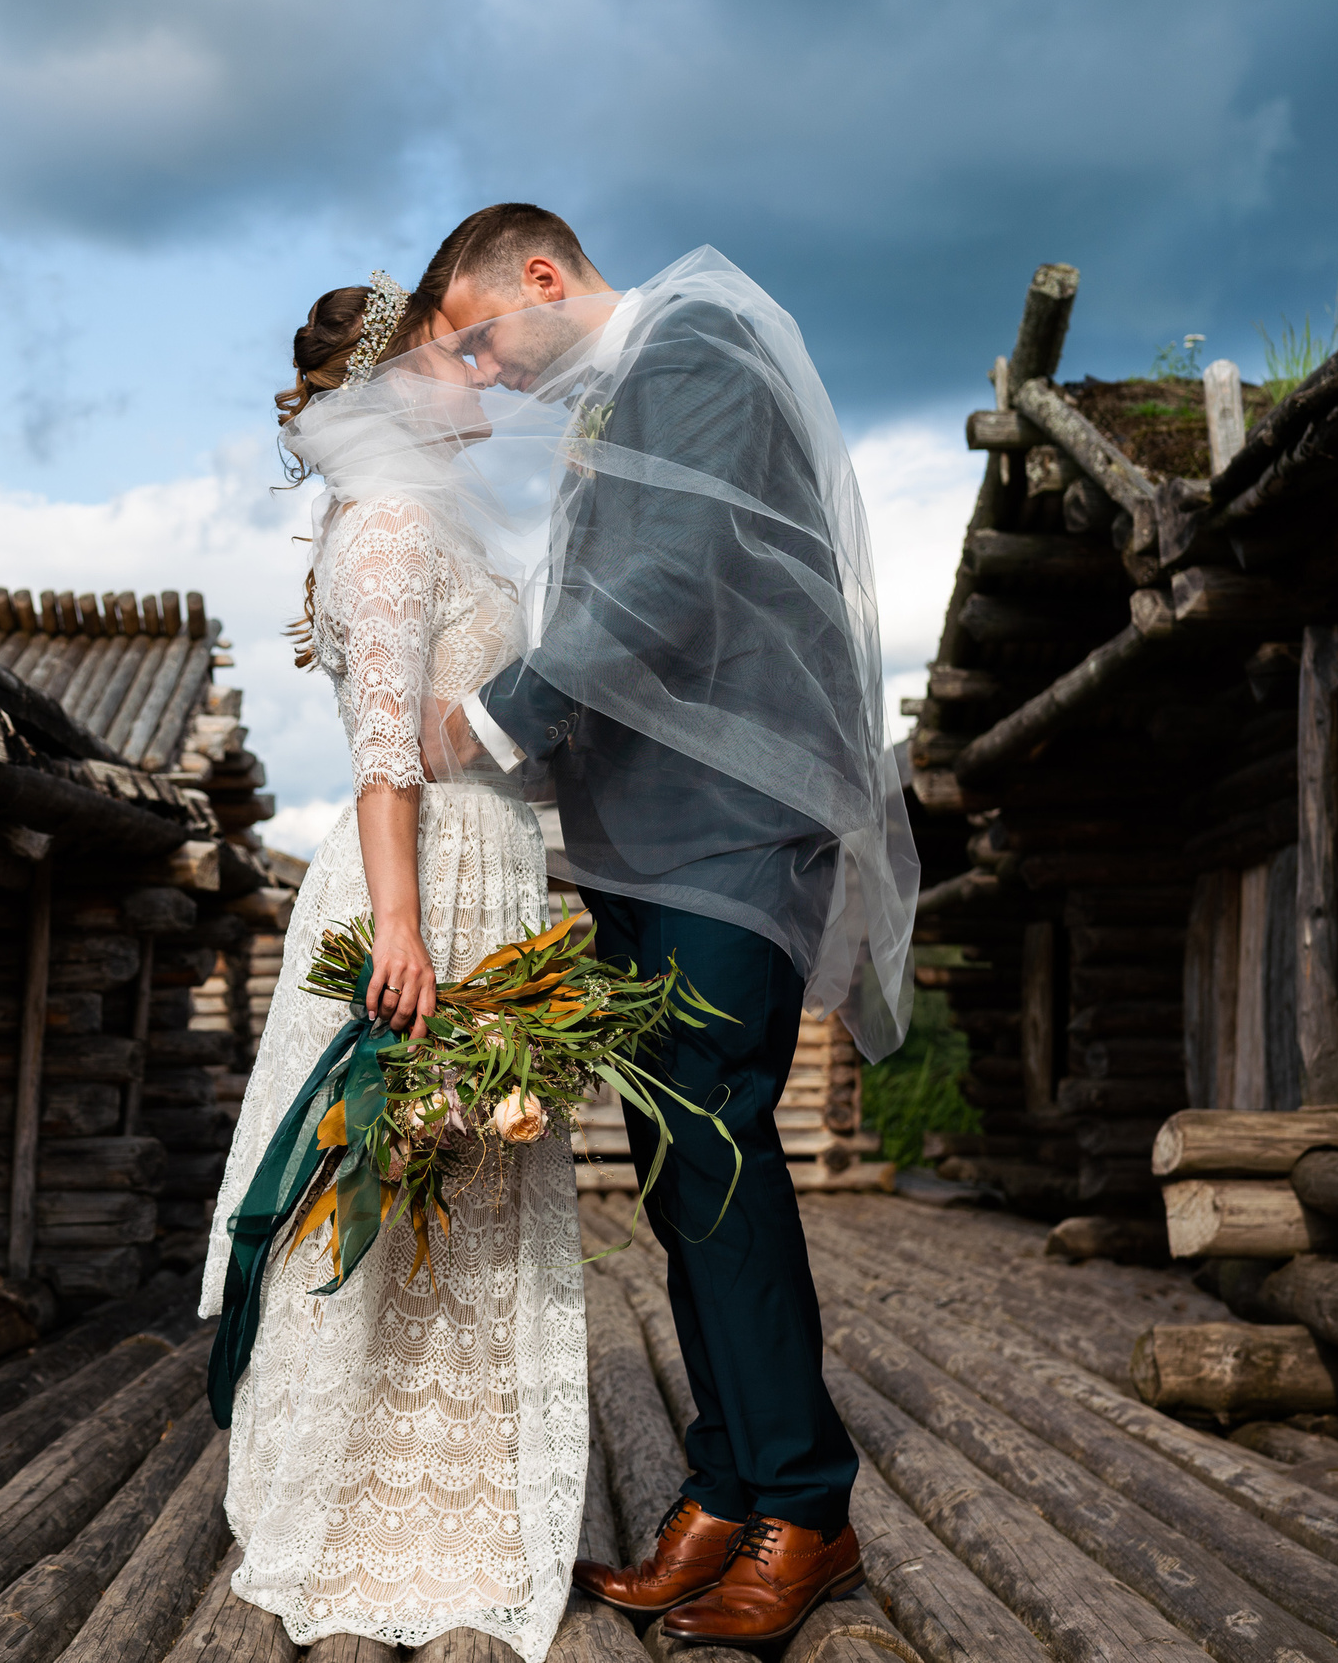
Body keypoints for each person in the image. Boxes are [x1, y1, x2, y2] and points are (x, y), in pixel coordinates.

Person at [425, 204, 920, 1647]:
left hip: (733, 822)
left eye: (478, 338)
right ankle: (727, 1479)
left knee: (712, 1132)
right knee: (666, 1152)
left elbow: (673, 573)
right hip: (651, 835)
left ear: (541, 275)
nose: (488, 372)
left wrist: (495, 717)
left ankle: (808, 1510)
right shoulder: (619, 390)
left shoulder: (696, 346)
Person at [199, 272, 588, 1662]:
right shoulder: (390, 524)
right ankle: (366, 1501)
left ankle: (476, 1487)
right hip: (417, 886)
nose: (482, 378)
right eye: (455, 356)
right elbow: (382, 760)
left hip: (487, 874)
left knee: (476, 1177)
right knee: (402, 1167)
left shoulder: (435, 519)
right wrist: (410, 932)